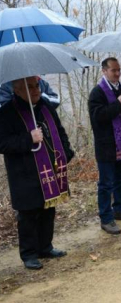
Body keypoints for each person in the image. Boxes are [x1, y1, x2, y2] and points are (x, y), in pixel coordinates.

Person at [0, 76, 74, 269]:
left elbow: (60, 131)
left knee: (48, 210)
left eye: (36, 86)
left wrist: (66, 153)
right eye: (29, 87)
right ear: (17, 90)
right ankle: (29, 254)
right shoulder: (7, 113)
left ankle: (45, 247)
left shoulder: (45, 107)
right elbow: (3, 143)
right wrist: (28, 138)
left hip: (50, 169)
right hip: (25, 174)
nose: (35, 90)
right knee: (28, 214)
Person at [88, 58, 121, 235]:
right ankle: (106, 218)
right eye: (113, 70)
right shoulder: (97, 93)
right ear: (104, 71)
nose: (117, 74)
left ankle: (120, 208)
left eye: (119, 70)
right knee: (106, 183)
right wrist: (118, 104)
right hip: (107, 146)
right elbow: (98, 117)